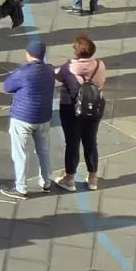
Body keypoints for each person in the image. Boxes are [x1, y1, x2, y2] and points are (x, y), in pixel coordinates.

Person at [0, 40, 55, 200]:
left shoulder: (23, 72)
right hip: (43, 117)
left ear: (28, 54)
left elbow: (7, 87)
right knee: (43, 151)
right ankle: (46, 182)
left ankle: (21, 188)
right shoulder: (50, 71)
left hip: (22, 118)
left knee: (20, 153)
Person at [53, 34, 107, 192]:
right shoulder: (99, 65)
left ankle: (69, 179)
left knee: (72, 143)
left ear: (77, 53)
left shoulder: (69, 67)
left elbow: (59, 76)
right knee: (91, 141)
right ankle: (93, 178)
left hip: (72, 108)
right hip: (95, 107)